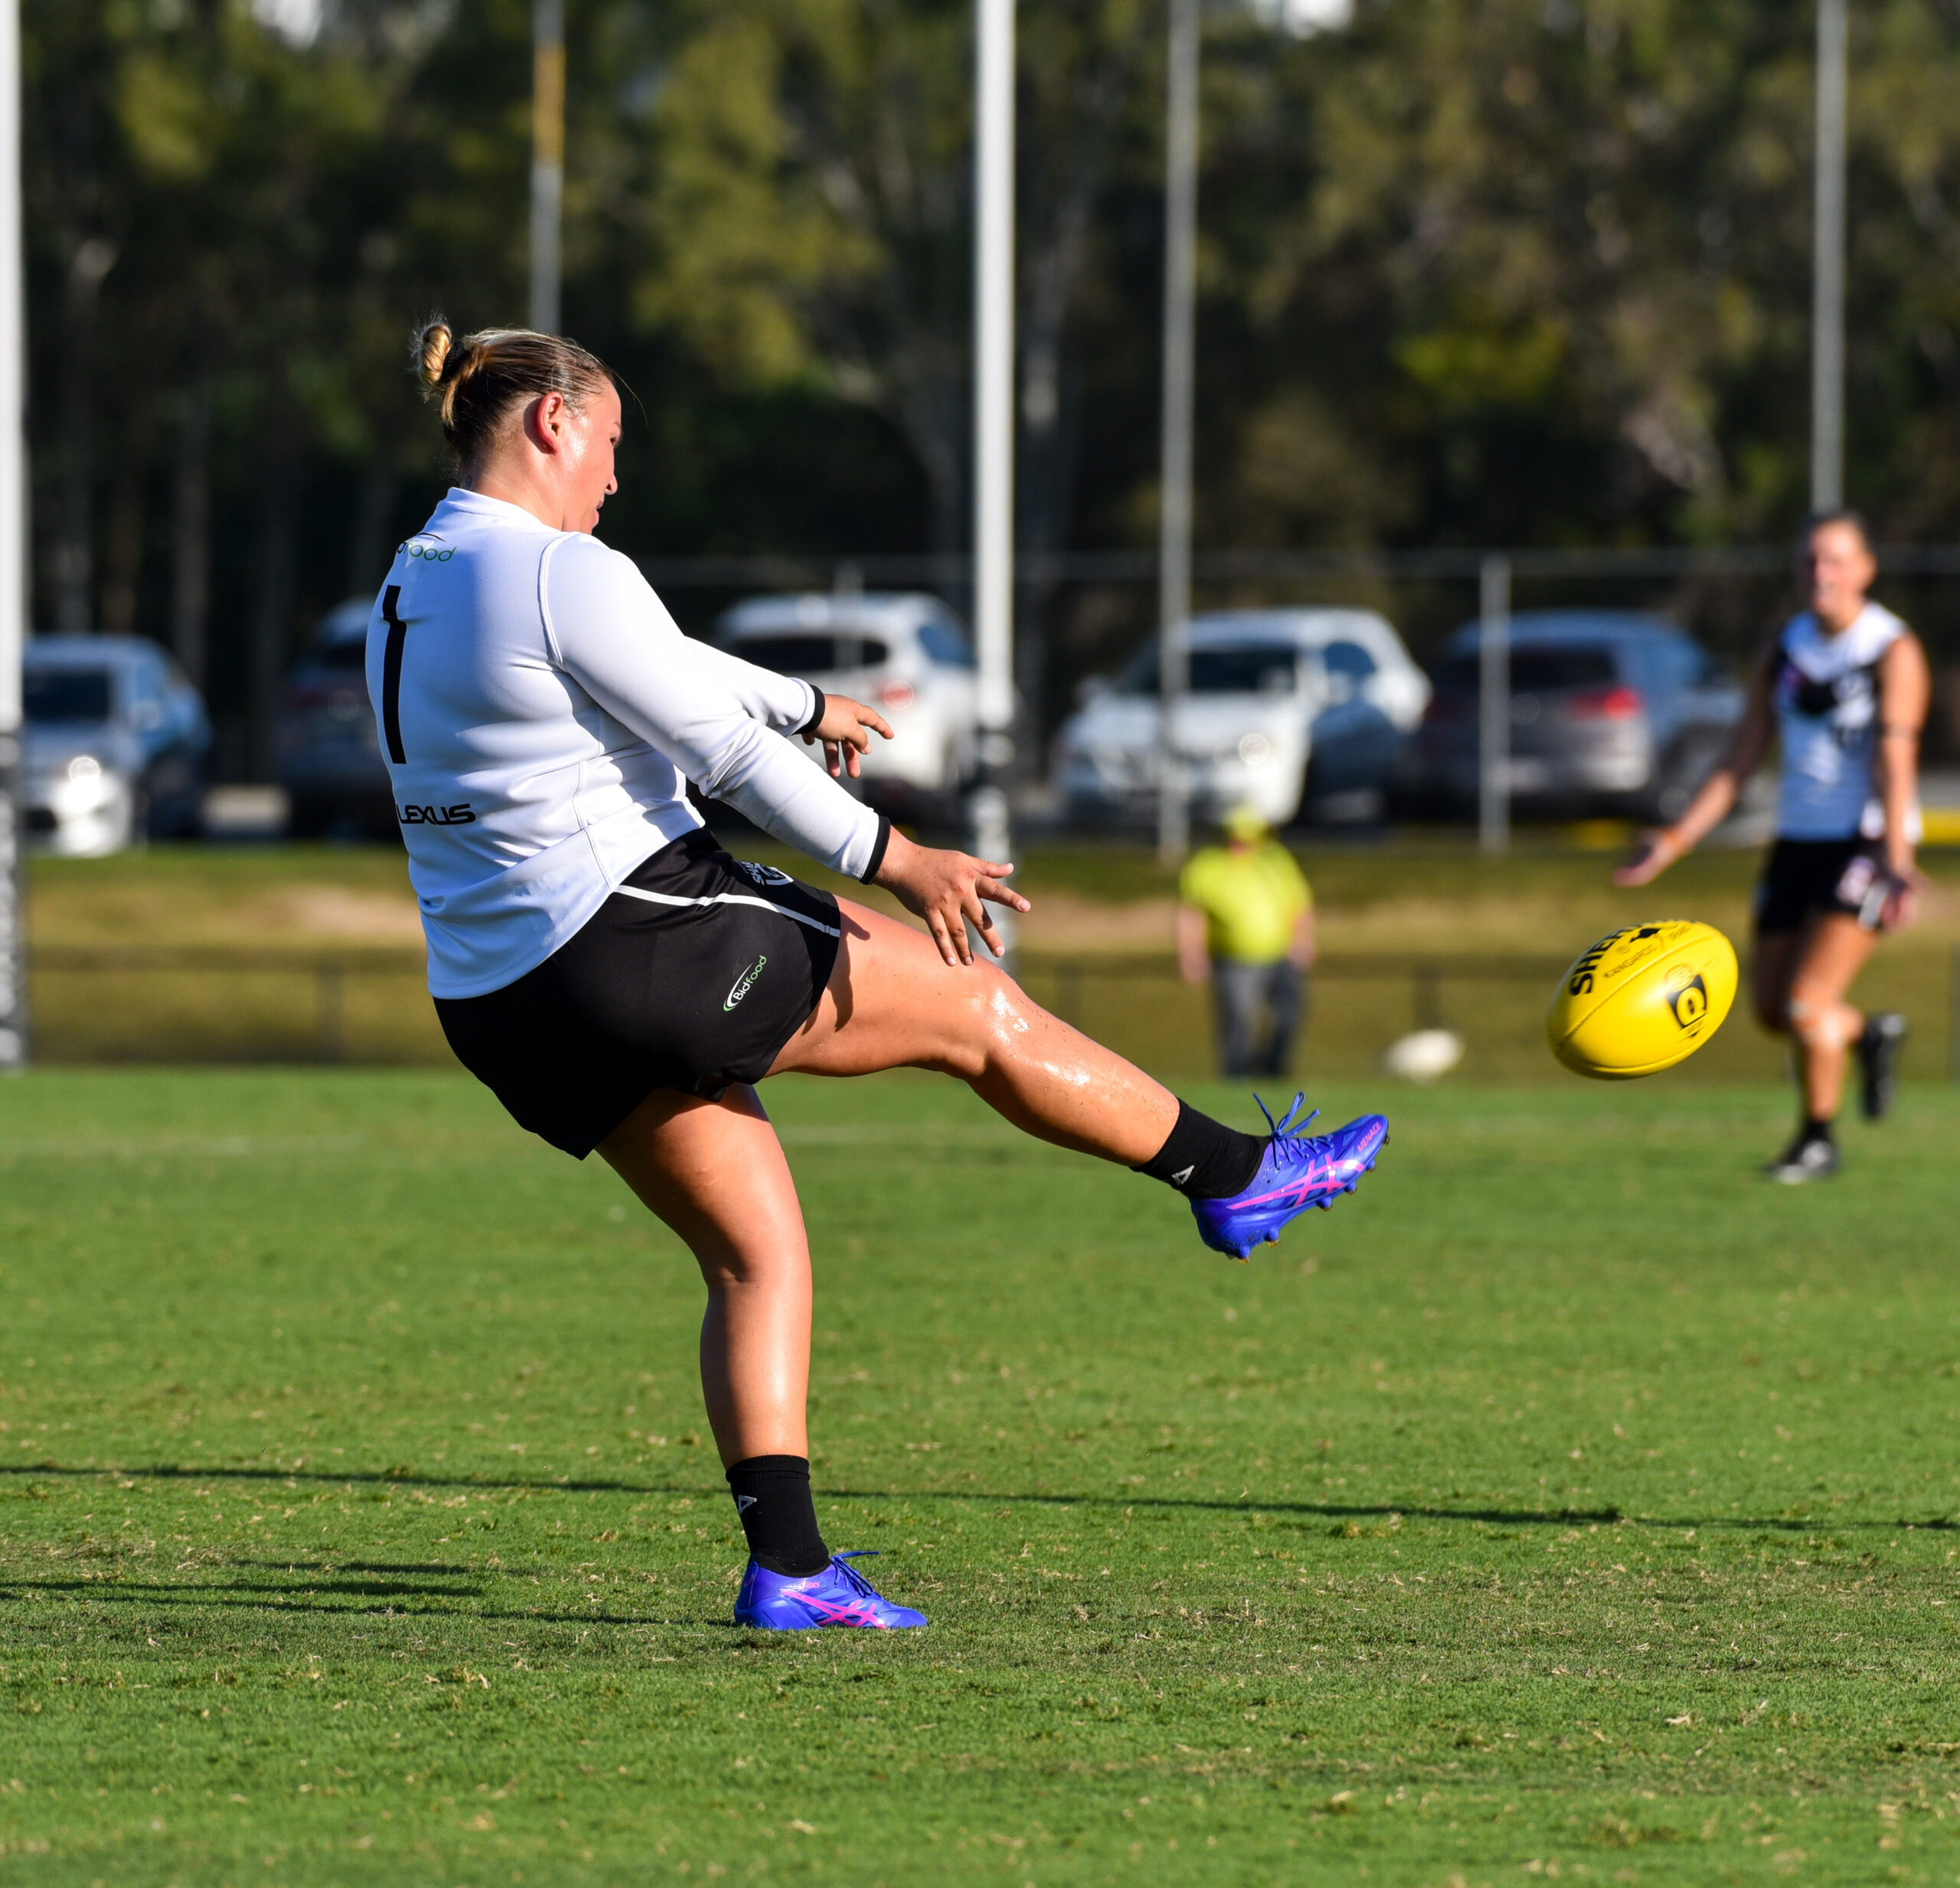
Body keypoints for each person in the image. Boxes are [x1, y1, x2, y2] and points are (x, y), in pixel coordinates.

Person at [372, 320, 1390, 1632]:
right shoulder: (563, 569)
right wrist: (898, 856)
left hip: (505, 1004)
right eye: (613, 445)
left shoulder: (422, 573)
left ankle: (789, 1568)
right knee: (977, 1007)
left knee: (758, 1253)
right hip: (640, 934)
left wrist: (800, 702)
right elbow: (714, 754)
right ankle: (1235, 1176)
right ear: (554, 424)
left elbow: (661, 671)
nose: (616, 479)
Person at [1615, 510, 1929, 1181]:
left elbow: (1897, 760)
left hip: (1864, 844)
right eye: (1811, 561)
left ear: (1866, 569)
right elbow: (1739, 758)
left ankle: (1818, 1140)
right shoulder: (1785, 647)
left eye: (1837, 561)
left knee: (1808, 1000)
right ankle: (1866, 1034)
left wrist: (1898, 864)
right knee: (1768, 1007)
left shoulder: (1890, 650)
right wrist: (1673, 841)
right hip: (1796, 842)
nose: (1823, 574)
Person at [1178, 805, 1316, 1077]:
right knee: (1238, 1022)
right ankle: (1238, 1078)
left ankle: (1274, 1073)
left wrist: (1303, 940)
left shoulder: (1275, 862)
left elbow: (1299, 904)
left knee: (1287, 1018)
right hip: (1234, 961)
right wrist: (1191, 953)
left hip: (1280, 957)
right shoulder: (1208, 866)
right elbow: (1192, 914)